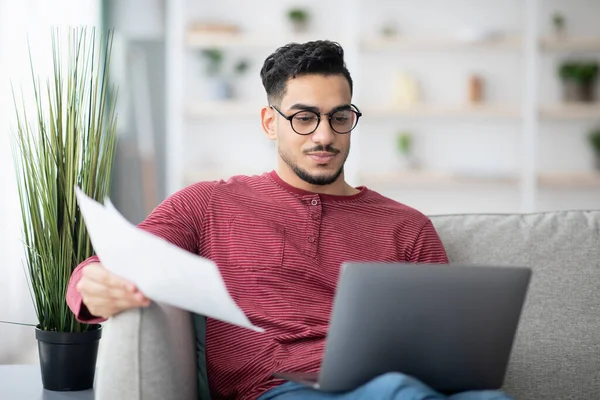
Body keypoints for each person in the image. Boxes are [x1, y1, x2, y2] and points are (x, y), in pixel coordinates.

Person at [66, 40, 511, 400]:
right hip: (278, 390)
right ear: (269, 122)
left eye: (340, 117)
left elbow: (453, 347)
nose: (324, 136)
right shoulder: (207, 204)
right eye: (304, 118)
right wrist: (93, 284)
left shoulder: (405, 225)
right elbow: (118, 261)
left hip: (401, 386)